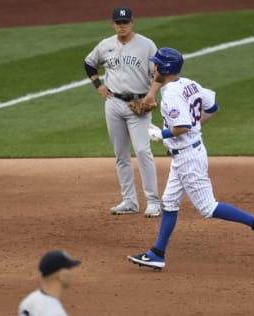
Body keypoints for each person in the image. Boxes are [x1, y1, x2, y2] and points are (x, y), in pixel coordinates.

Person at [127, 48, 254, 270]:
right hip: (187, 154)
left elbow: (182, 127)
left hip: (188, 157)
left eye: (156, 64)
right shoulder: (189, 84)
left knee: (207, 207)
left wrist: (161, 134)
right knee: (169, 203)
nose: (153, 68)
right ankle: (157, 253)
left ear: (164, 69)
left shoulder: (172, 95)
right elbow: (212, 107)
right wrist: (195, 127)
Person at [84, 6, 161, 218]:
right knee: (121, 155)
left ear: (132, 23)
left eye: (125, 22)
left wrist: (151, 95)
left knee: (143, 152)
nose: (122, 26)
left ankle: (153, 201)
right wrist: (98, 85)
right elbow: (89, 64)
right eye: (118, 23)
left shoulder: (146, 45)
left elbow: (160, 72)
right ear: (113, 24)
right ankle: (130, 201)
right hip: (114, 103)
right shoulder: (105, 45)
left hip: (139, 105)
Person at [19, 250, 81, 316]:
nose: (72, 273)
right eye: (69, 268)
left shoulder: (28, 301)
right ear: (60, 275)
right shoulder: (56, 312)